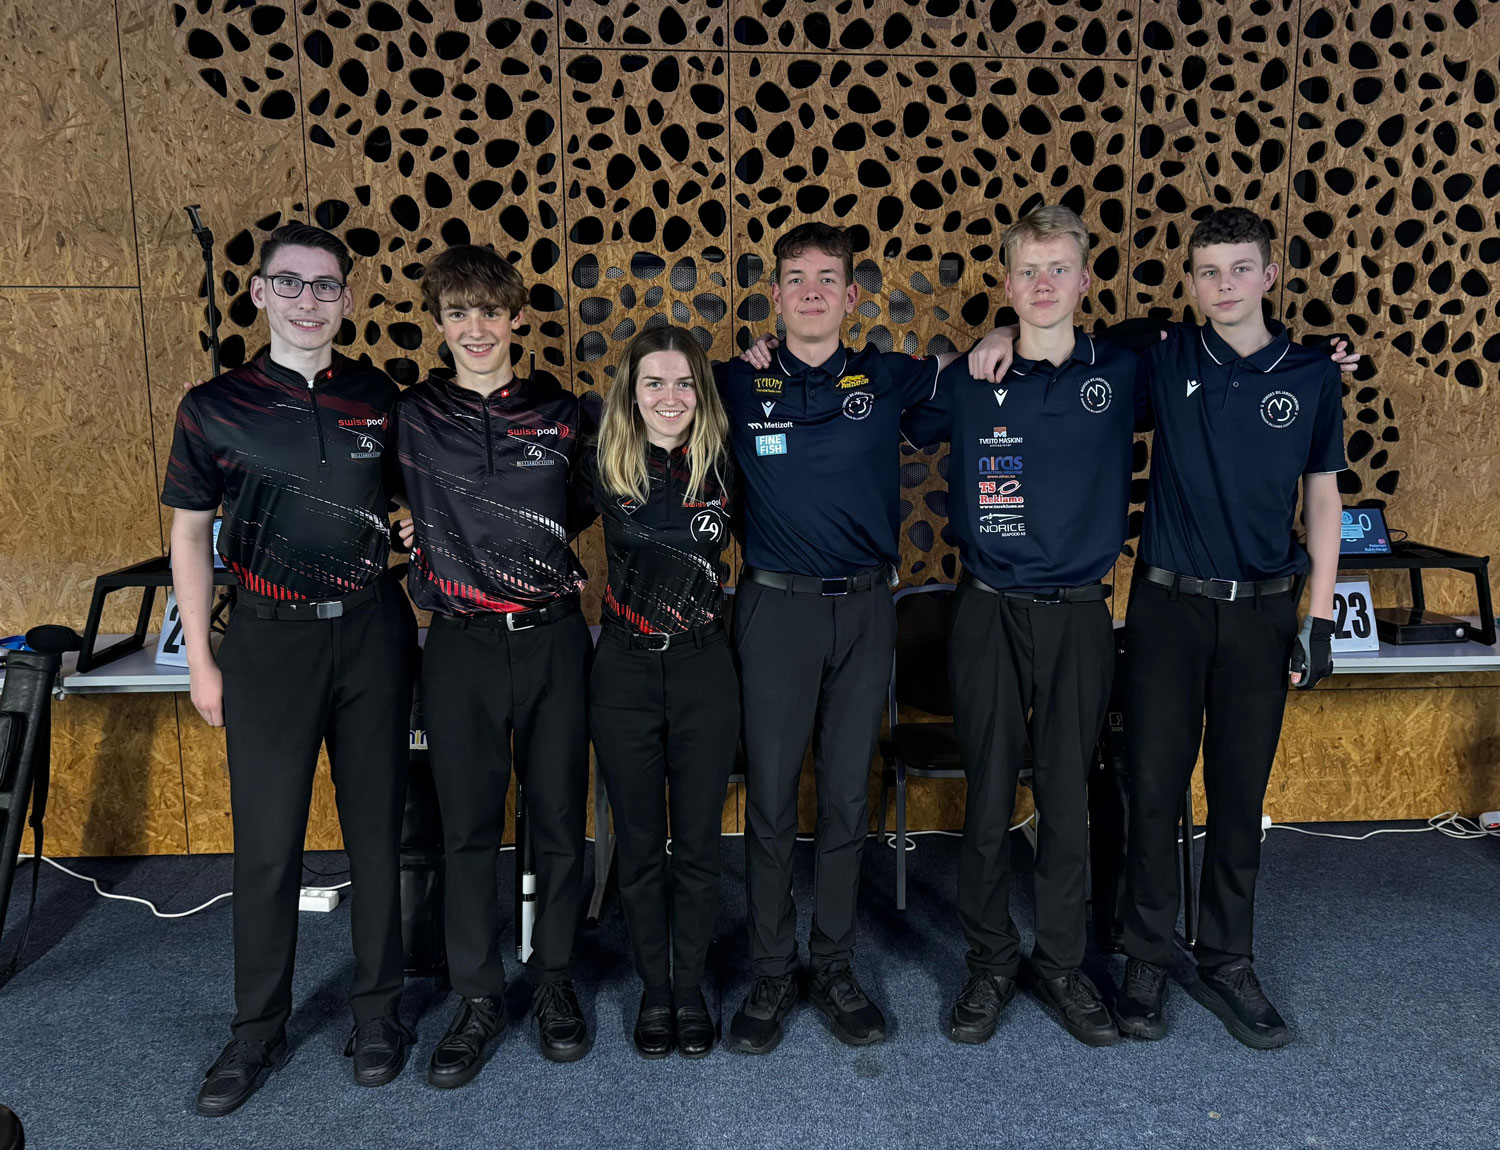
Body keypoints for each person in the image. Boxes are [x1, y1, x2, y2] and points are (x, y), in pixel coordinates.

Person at [974, 207, 1348, 1050]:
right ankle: (1145, 954)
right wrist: (1000, 329)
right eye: (1208, 271)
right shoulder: (1163, 358)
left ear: (1271, 274)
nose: (1225, 285)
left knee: (1240, 795)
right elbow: (1058, 338)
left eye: (1241, 269)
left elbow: (1324, 496)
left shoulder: (1313, 374)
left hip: (1263, 609)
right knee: (1151, 787)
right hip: (1166, 608)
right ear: (1191, 282)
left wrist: (1319, 615)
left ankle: (1227, 960)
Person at [164, 222, 416, 1116]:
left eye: (326, 286)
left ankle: (378, 1013)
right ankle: (256, 1028)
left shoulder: (378, 398)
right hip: (268, 643)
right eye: (292, 284)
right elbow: (188, 536)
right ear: (261, 293)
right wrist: (201, 660)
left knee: (377, 835)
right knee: (268, 847)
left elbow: (409, 500)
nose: (310, 301)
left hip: (372, 632)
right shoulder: (213, 407)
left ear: (347, 298)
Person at [717, 222, 962, 1053]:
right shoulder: (736, 381)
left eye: (828, 278)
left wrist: (999, 340)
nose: (812, 291)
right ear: (774, 295)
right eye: (796, 278)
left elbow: (972, 378)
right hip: (773, 609)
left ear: (852, 296)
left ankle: (833, 966)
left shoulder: (886, 376)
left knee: (850, 798)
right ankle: (770, 971)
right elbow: (655, 404)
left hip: (864, 610)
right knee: (771, 800)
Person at [902, 205, 1143, 1047]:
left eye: (1058, 269)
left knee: (1069, 796)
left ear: (1085, 279)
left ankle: (1064, 965)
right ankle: (989, 962)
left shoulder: (1124, 369)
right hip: (988, 608)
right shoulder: (973, 377)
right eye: (1028, 272)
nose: (1044, 284)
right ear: (1007, 285)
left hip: (1079, 612)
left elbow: (1225, 352)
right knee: (990, 792)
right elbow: (892, 402)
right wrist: (977, 347)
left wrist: (1320, 354)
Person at [396, 244, 598, 1079]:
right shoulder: (410, 415)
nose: (475, 329)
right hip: (459, 644)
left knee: (558, 821)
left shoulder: (564, 413)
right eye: (457, 314)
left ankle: (554, 979)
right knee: (469, 829)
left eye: (489, 311)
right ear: (439, 323)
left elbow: (584, 505)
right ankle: (477, 995)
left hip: (553, 638)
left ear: (516, 318)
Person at [578, 326, 739, 1060]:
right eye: (654, 383)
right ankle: (654, 989)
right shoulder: (604, 463)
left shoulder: (724, 461)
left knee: (698, 845)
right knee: (640, 845)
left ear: (700, 392)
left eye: (683, 383)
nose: (669, 397)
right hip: (624, 672)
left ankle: (692, 987)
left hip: (705, 670)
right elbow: (517, 510)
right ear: (632, 391)